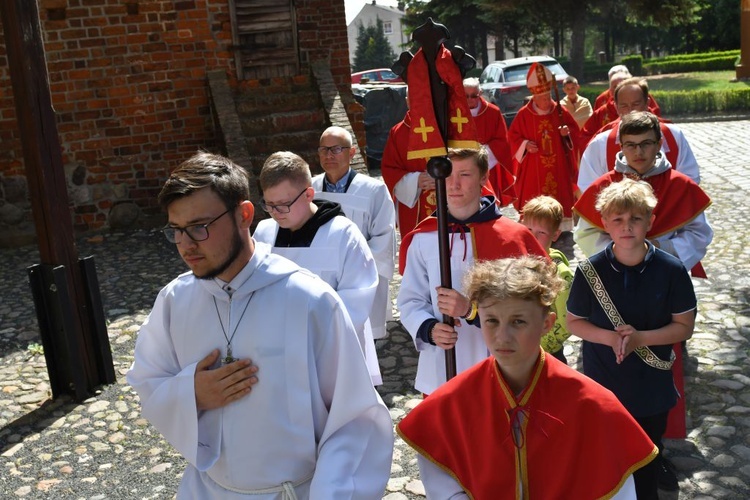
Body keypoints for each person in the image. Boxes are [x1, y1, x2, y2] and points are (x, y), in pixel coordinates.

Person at [126, 152, 393, 498]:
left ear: (244, 215)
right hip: (209, 489)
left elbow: (354, 419)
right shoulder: (176, 301)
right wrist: (190, 394)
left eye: (199, 227)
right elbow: (148, 380)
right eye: (176, 230)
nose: (186, 246)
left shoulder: (310, 300)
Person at [398, 256, 658, 499]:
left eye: (518, 321)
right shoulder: (453, 402)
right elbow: (443, 481)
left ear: (547, 323)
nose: (502, 336)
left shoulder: (592, 404)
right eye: (491, 321)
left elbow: (619, 490)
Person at [567, 178, 697, 497]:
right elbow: (574, 322)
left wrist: (641, 338)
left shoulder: (672, 270)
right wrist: (610, 338)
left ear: (650, 222)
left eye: (636, 219)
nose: (627, 227)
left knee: (646, 459)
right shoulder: (589, 271)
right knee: (607, 460)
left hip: (652, 387)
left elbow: (684, 327)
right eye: (618, 220)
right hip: (604, 383)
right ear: (605, 225)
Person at [397, 147, 547, 396]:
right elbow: (410, 299)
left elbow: (533, 306)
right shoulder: (425, 238)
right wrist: (428, 328)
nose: (454, 184)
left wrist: (471, 311)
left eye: (465, 174)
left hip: (502, 363)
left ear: (484, 178)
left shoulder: (513, 237)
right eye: (447, 175)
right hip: (442, 366)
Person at [253, 151, 383, 385]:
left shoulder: (343, 234)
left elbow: (356, 300)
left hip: (331, 356)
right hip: (276, 355)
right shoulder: (263, 232)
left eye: (283, 204)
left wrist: (304, 338)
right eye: (269, 205)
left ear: (309, 194)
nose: (275, 213)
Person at [574, 111, 712, 277]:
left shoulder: (680, 185)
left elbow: (699, 233)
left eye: (646, 143)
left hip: (665, 271)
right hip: (617, 272)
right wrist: (619, 253)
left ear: (659, 144)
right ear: (621, 147)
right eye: (631, 145)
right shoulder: (603, 185)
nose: (638, 152)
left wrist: (661, 248)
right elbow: (586, 233)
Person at [312, 126, 396, 340]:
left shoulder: (373, 190)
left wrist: (349, 265)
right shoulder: (310, 189)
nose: (329, 155)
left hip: (359, 279)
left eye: (336, 149)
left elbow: (384, 238)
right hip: (320, 277)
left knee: (360, 340)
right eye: (324, 149)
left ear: (351, 153)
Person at [577, 78, 701, 194]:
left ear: (647, 103)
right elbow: (588, 187)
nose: (631, 110)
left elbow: (690, 179)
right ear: (616, 107)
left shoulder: (674, 135)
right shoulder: (600, 144)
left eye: (636, 104)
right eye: (624, 105)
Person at [508, 62, 580, 230]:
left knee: (560, 194)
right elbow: (512, 139)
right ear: (534, 97)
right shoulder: (524, 115)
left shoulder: (559, 111)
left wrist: (566, 135)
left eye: (548, 97)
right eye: (542, 98)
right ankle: (534, 226)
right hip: (534, 166)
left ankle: (560, 227)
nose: (547, 101)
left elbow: (576, 135)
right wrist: (525, 145)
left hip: (558, 165)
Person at [520, 195, 574, 364]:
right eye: (528, 230)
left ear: (555, 234)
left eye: (541, 232)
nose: (532, 238)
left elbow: (567, 322)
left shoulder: (561, 273)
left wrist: (540, 345)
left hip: (548, 354)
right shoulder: (515, 263)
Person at [463, 77, 515, 206]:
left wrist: (481, 155)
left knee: (489, 204)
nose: (470, 100)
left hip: (488, 166)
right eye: (466, 96)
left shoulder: (493, 112)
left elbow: (502, 141)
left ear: (480, 93)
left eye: (474, 96)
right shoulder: (455, 113)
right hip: (463, 166)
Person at [594, 64, 661, 115]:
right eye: (615, 86)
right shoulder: (601, 100)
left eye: (636, 104)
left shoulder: (641, 94)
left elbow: (656, 114)